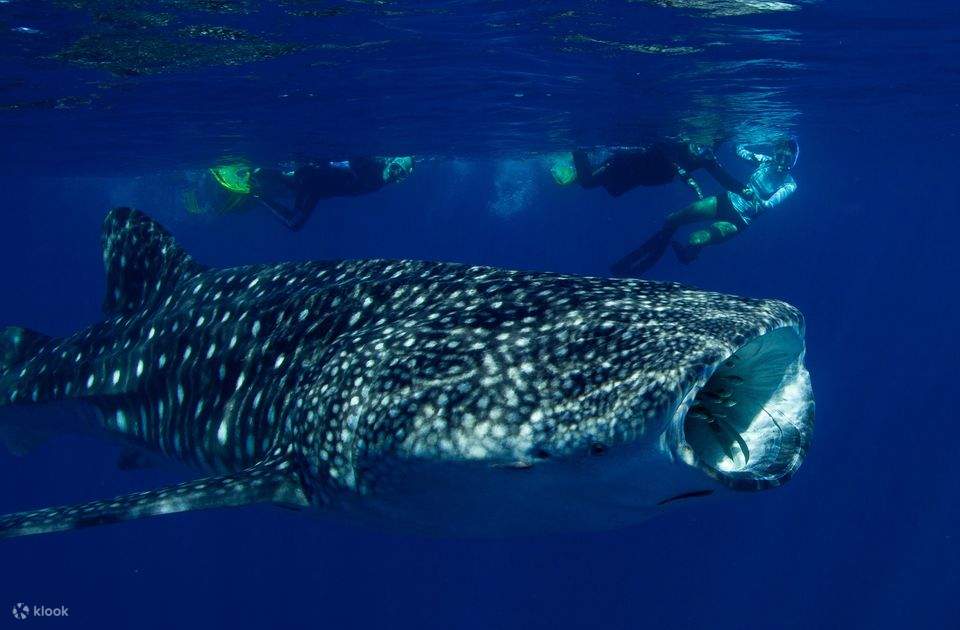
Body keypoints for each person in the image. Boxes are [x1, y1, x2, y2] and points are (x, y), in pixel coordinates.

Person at [611, 138, 799, 276]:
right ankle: (650, 254)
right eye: (779, 155)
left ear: (793, 161)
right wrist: (761, 141)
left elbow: (769, 204)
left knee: (695, 239)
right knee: (672, 219)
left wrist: (758, 201)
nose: (782, 161)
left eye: (787, 159)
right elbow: (738, 149)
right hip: (725, 200)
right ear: (774, 153)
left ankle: (687, 254)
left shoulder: (790, 184)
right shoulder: (764, 160)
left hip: (740, 220)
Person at [201, 156, 414, 230]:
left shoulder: (380, 181)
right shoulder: (372, 166)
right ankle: (253, 187)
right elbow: (345, 162)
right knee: (294, 221)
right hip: (312, 180)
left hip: (317, 187)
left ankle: (252, 184)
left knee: (279, 191)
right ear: (390, 161)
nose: (395, 175)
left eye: (401, 175)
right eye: (396, 168)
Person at [568, 141, 745, 200]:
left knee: (613, 191)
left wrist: (743, 190)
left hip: (638, 177)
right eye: (697, 146)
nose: (699, 150)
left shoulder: (707, 158)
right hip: (628, 165)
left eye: (705, 148)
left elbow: (724, 179)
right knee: (588, 182)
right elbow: (676, 165)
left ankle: (584, 162)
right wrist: (691, 182)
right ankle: (578, 148)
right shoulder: (679, 143)